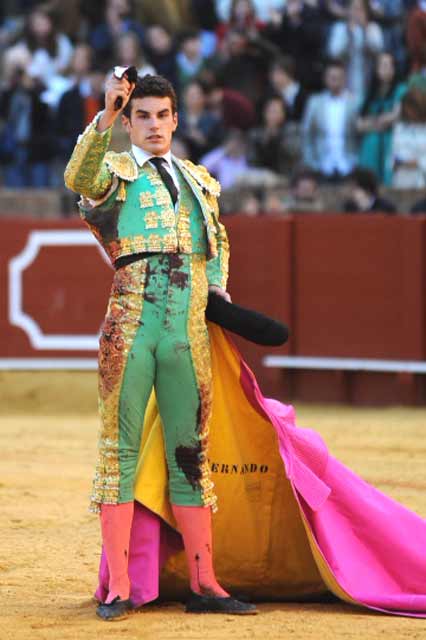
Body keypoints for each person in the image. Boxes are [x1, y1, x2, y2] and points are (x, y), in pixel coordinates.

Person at [64, 73, 256, 620]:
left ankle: (205, 583)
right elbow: (76, 174)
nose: (153, 125)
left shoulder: (199, 181)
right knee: (119, 454)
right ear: (129, 123)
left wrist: (216, 286)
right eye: (141, 116)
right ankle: (119, 588)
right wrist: (105, 112)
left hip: (184, 335)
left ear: (176, 119)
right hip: (131, 329)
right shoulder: (115, 174)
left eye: (161, 115)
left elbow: (215, 240)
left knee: (190, 456)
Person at [302, 60, 359, 180]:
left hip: (348, 164)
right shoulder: (315, 103)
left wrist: (356, 161)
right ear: (325, 79)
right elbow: (307, 134)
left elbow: (359, 133)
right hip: (321, 165)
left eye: (338, 77)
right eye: (332, 77)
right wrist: (311, 162)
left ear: (344, 79)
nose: (335, 81)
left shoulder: (354, 103)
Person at [357, 52, 406, 185]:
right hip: (370, 145)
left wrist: (372, 122)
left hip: (391, 142)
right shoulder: (370, 92)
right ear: (377, 69)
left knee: (389, 179)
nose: (387, 69)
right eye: (383, 65)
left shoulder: (401, 89)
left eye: (390, 66)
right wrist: (380, 122)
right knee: (369, 181)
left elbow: (396, 116)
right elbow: (359, 125)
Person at [328, 0, 384, 105]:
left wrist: (365, 29)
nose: (357, 12)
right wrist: (348, 33)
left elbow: (377, 49)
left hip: (369, 81)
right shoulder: (340, 28)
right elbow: (335, 52)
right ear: (348, 10)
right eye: (354, 8)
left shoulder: (373, 28)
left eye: (360, 9)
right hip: (346, 83)